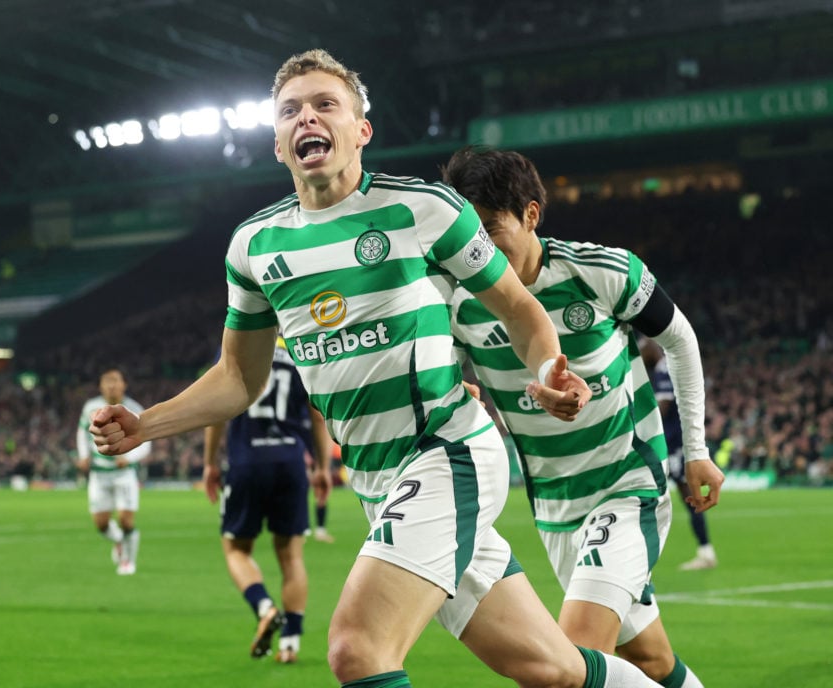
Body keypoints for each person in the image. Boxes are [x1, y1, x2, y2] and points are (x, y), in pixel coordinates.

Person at [92, 49, 662, 688]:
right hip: (375, 482)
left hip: (446, 452)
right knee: (550, 667)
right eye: (290, 111)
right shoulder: (253, 247)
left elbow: (521, 308)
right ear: (278, 143)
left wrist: (552, 367)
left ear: (361, 130)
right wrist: (146, 424)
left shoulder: (425, 209)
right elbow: (239, 376)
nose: (307, 117)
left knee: (357, 650)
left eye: (324, 105)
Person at [443, 147, 726, 686]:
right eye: (466, 233)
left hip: (626, 488)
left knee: (568, 661)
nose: (477, 247)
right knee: (652, 663)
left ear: (531, 214)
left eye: (488, 227)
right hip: (554, 510)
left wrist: (696, 452)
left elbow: (680, 340)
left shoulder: (600, 270)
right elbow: (454, 383)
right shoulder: (459, 303)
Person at [202, 337, 332, 663]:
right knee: (291, 557)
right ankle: (290, 644)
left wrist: (210, 463)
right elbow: (317, 416)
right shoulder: (300, 351)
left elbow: (216, 408)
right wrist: (322, 467)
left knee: (235, 549)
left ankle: (264, 607)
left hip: (247, 461)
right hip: (291, 462)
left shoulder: (240, 343)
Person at [640, 338, 719, 571]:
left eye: (641, 348)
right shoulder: (667, 366)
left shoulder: (664, 367)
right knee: (681, 497)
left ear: (650, 347)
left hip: (673, 444)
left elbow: (662, 409)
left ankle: (705, 551)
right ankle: (705, 551)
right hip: (675, 443)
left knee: (682, 496)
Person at [76, 367, 150, 575]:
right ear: (100, 386)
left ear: (124, 385)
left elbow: (146, 442)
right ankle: (119, 541)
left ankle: (128, 562)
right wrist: (83, 455)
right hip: (99, 474)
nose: (110, 385)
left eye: (115, 381)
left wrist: (128, 458)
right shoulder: (91, 407)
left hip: (124, 475)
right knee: (101, 524)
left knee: (126, 521)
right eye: (106, 381)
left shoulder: (134, 409)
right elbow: (82, 433)